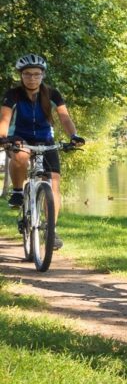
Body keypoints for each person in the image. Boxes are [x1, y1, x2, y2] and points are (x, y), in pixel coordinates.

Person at [0, 54, 86, 251]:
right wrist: (3, 137)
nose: (32, 78)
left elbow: (64, 118)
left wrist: (74, 135)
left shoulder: (52, 94)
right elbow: (4, 119)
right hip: (19, 137)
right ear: (21, 75)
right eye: (27, 74)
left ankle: (51, 230)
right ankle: (18, 191)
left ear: (43, 75)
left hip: (45, 139)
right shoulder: (12, 95)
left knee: (53, 182)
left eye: (37, 74)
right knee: (20, 156)